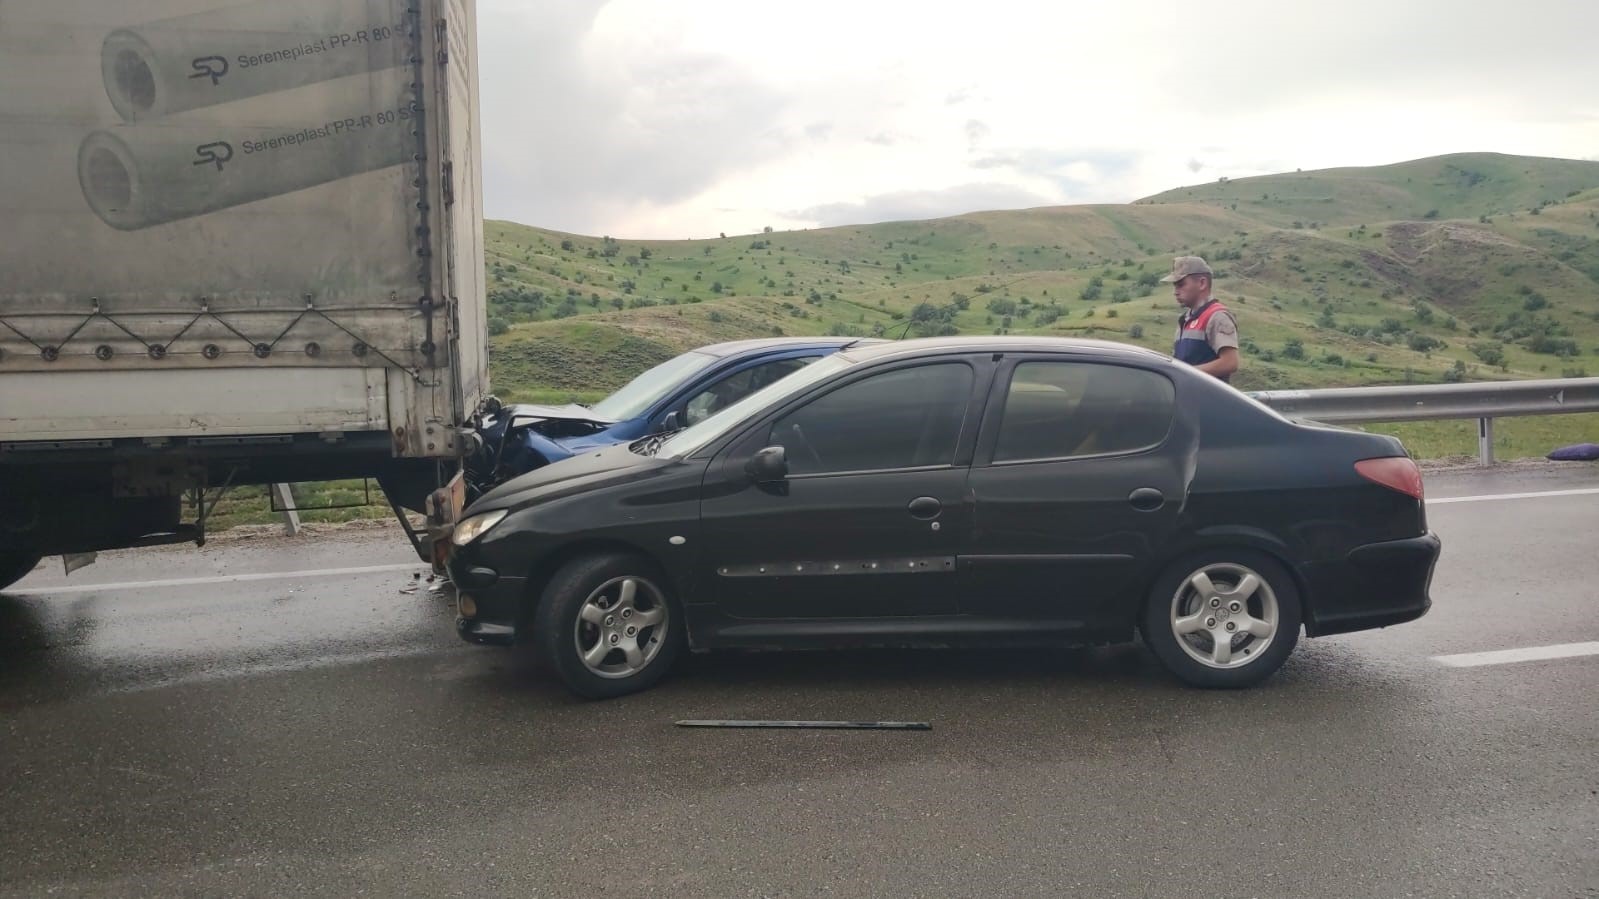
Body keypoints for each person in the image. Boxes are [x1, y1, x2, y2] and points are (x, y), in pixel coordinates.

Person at [1161, 255, 1239, 382]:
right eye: (1175, 286)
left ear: (1202, 283)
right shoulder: (1185, 319)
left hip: (1209, 399)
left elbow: (1230, 362)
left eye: (1181, 285)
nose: (1175, 291)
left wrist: (1186, 373)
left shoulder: (1217, 316)